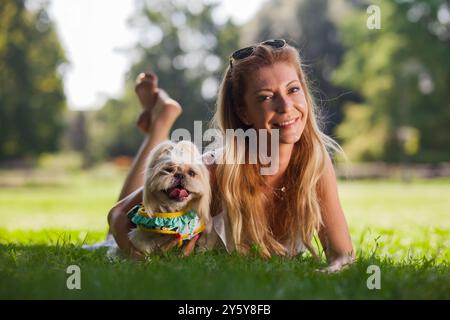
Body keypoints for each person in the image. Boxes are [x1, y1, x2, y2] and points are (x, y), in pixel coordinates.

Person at [106, 39, 354, 272]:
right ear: (244, 112)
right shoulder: (215, 169)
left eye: (293, 90)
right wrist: (140, 261)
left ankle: (160, 118)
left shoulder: (315, 166)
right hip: (158, 221)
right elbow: (118, 216)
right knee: (123, 224)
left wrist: (330, 273)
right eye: (266, 97)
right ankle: (161, 122)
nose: (286, 106)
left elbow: (342, 255)